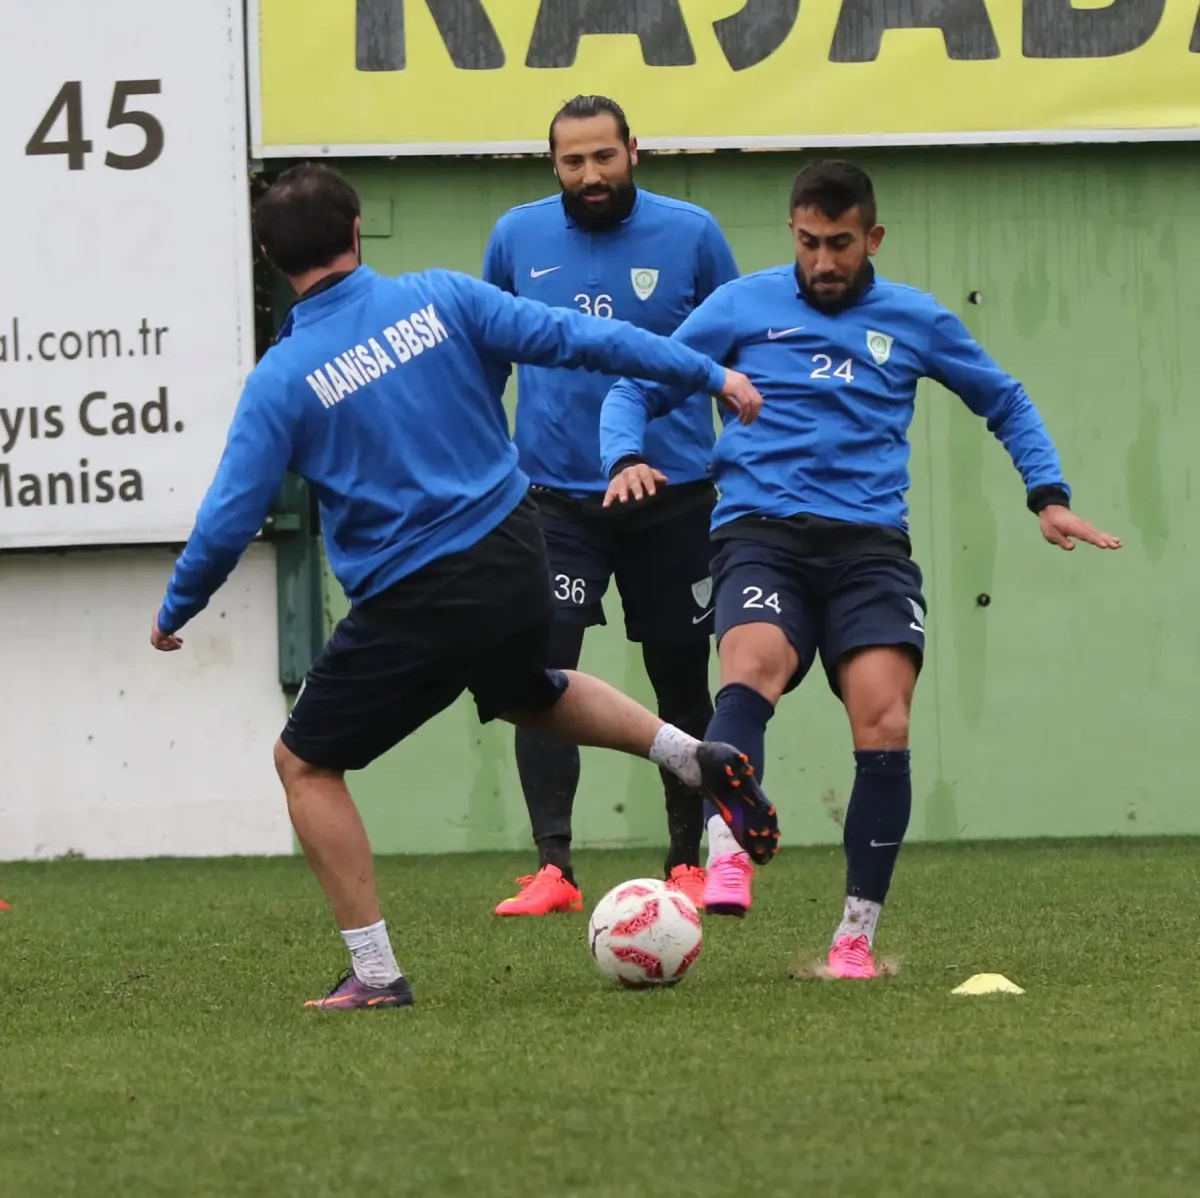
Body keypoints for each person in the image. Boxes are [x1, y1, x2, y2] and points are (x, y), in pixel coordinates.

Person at [149, 163, 777, 1010]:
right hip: (519, 545)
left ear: (269, 256)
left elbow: (231, 517)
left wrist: (177, 607)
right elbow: (587, 339)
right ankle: (688, 756)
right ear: (358, 230)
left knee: (304, 763)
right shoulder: (443, 296)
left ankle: (376, 975)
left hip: (418, 592)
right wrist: (706, 374)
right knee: (528, 689)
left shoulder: (282, 378)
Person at [600, 159, 1120, 976]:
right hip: (760, 532)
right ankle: (727, 842)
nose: (823, 261)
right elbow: (638, 382)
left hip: (868, 550)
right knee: (753, 665)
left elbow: (1004, 399)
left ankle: (854, 937)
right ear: (793, 235)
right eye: (808, 242)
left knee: (885, 721)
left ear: (871, 238)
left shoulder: (915, 319)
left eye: (839, 244)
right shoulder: (741, 305)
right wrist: (624, 454)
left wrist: (1046, 494)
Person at [482, 95, 739, 917]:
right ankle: (553, 868)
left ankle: (685, 859)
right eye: (572, 162)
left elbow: (735, 350)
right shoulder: (515, 238)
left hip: (675, 497)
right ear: (551, 164)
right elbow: (487, 361)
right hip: (556, 500)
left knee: (678, 673)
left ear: (635, 149)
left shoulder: (693, 234)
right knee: (540, 672)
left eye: (604, 156)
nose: (590, 175)